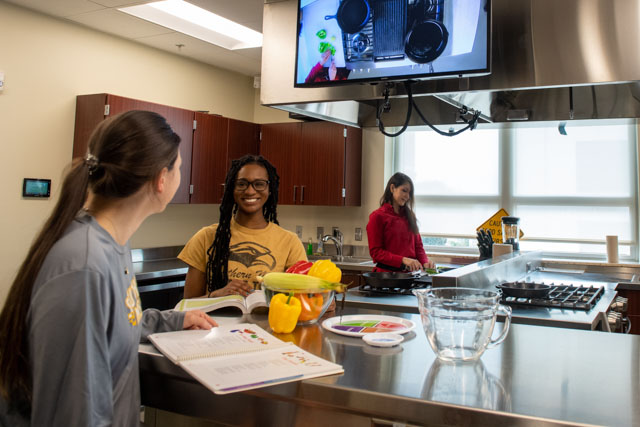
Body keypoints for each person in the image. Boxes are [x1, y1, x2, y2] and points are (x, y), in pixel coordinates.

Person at [0, 110, 217, 426]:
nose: (181, 174)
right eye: (180, 167)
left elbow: (111, 326)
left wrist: (172, 320)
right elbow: (74, 414)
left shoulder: (113, 243)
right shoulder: (85, 266)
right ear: (161, 179)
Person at [179, 155, 307, 299]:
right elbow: (187, 305)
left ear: (270, 189)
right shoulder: (206, 237)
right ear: (231, 189)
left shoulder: (290, 242)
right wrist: (216, 295)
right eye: (241, 184)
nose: (250, 191)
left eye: (259, 184)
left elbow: (302, 299)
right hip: (215, 321)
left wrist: (321, 301)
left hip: (270, 322)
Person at [366, 172, 434, 272]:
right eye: (404, 191)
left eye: (409, 193)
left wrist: (425, 262)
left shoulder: (410, 216)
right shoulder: (377, 216)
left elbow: (418, 247)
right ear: (392, 188)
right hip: (386, 277)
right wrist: (403, 260)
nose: (407, 196)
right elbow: (376, 252)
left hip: (408, 277)